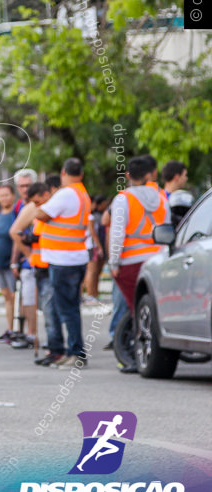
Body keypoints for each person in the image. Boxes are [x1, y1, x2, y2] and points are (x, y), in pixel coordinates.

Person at [107, 156, 167, 373]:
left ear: (128, 176)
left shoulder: (123, 199)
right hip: (157, 259)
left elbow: (117, 234)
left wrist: (114, 263)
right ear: (151, 174)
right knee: (152, 308)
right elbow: (167, 227)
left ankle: (138, 356)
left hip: (131, 261)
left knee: (137, 310)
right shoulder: (161, 197)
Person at [34, 158, 92, 369]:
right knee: (71, 308)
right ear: (81, 174)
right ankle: (74, 351)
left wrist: (37, 205)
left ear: (63, 172)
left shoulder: (67, 193)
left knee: (67, 309)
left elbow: (42, 214)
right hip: (75, 258)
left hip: (63, 260)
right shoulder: (82, 194)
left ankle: (76, 353)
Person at [10, 182, 54, 358]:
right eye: (21, 185)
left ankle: (54, 342)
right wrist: (26, 255)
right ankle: (33, 335)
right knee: (34, 301)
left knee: (51, 305)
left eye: (27, 185)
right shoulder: (30, 208)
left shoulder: (53, 204)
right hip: (37, 263)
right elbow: (15, 232)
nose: (24, 188)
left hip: (56, 262)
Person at [0, 184, 18, 343]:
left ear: (13, 196)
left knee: (14, 296)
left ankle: (18, 330)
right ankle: (9, 328)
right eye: (1, 196)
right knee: (7, 296)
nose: (4, 198)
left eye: (7, 195)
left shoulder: (16, 214)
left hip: (10, 263)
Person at [83, 195, 111, 304]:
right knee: (91, 271)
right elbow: (93, 234)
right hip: (91, 246)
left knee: (94, 271)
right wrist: (99, 246)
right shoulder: (89, 217)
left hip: (91, 245)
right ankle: (90, 294)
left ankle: (94, 293)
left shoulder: (90, 216)